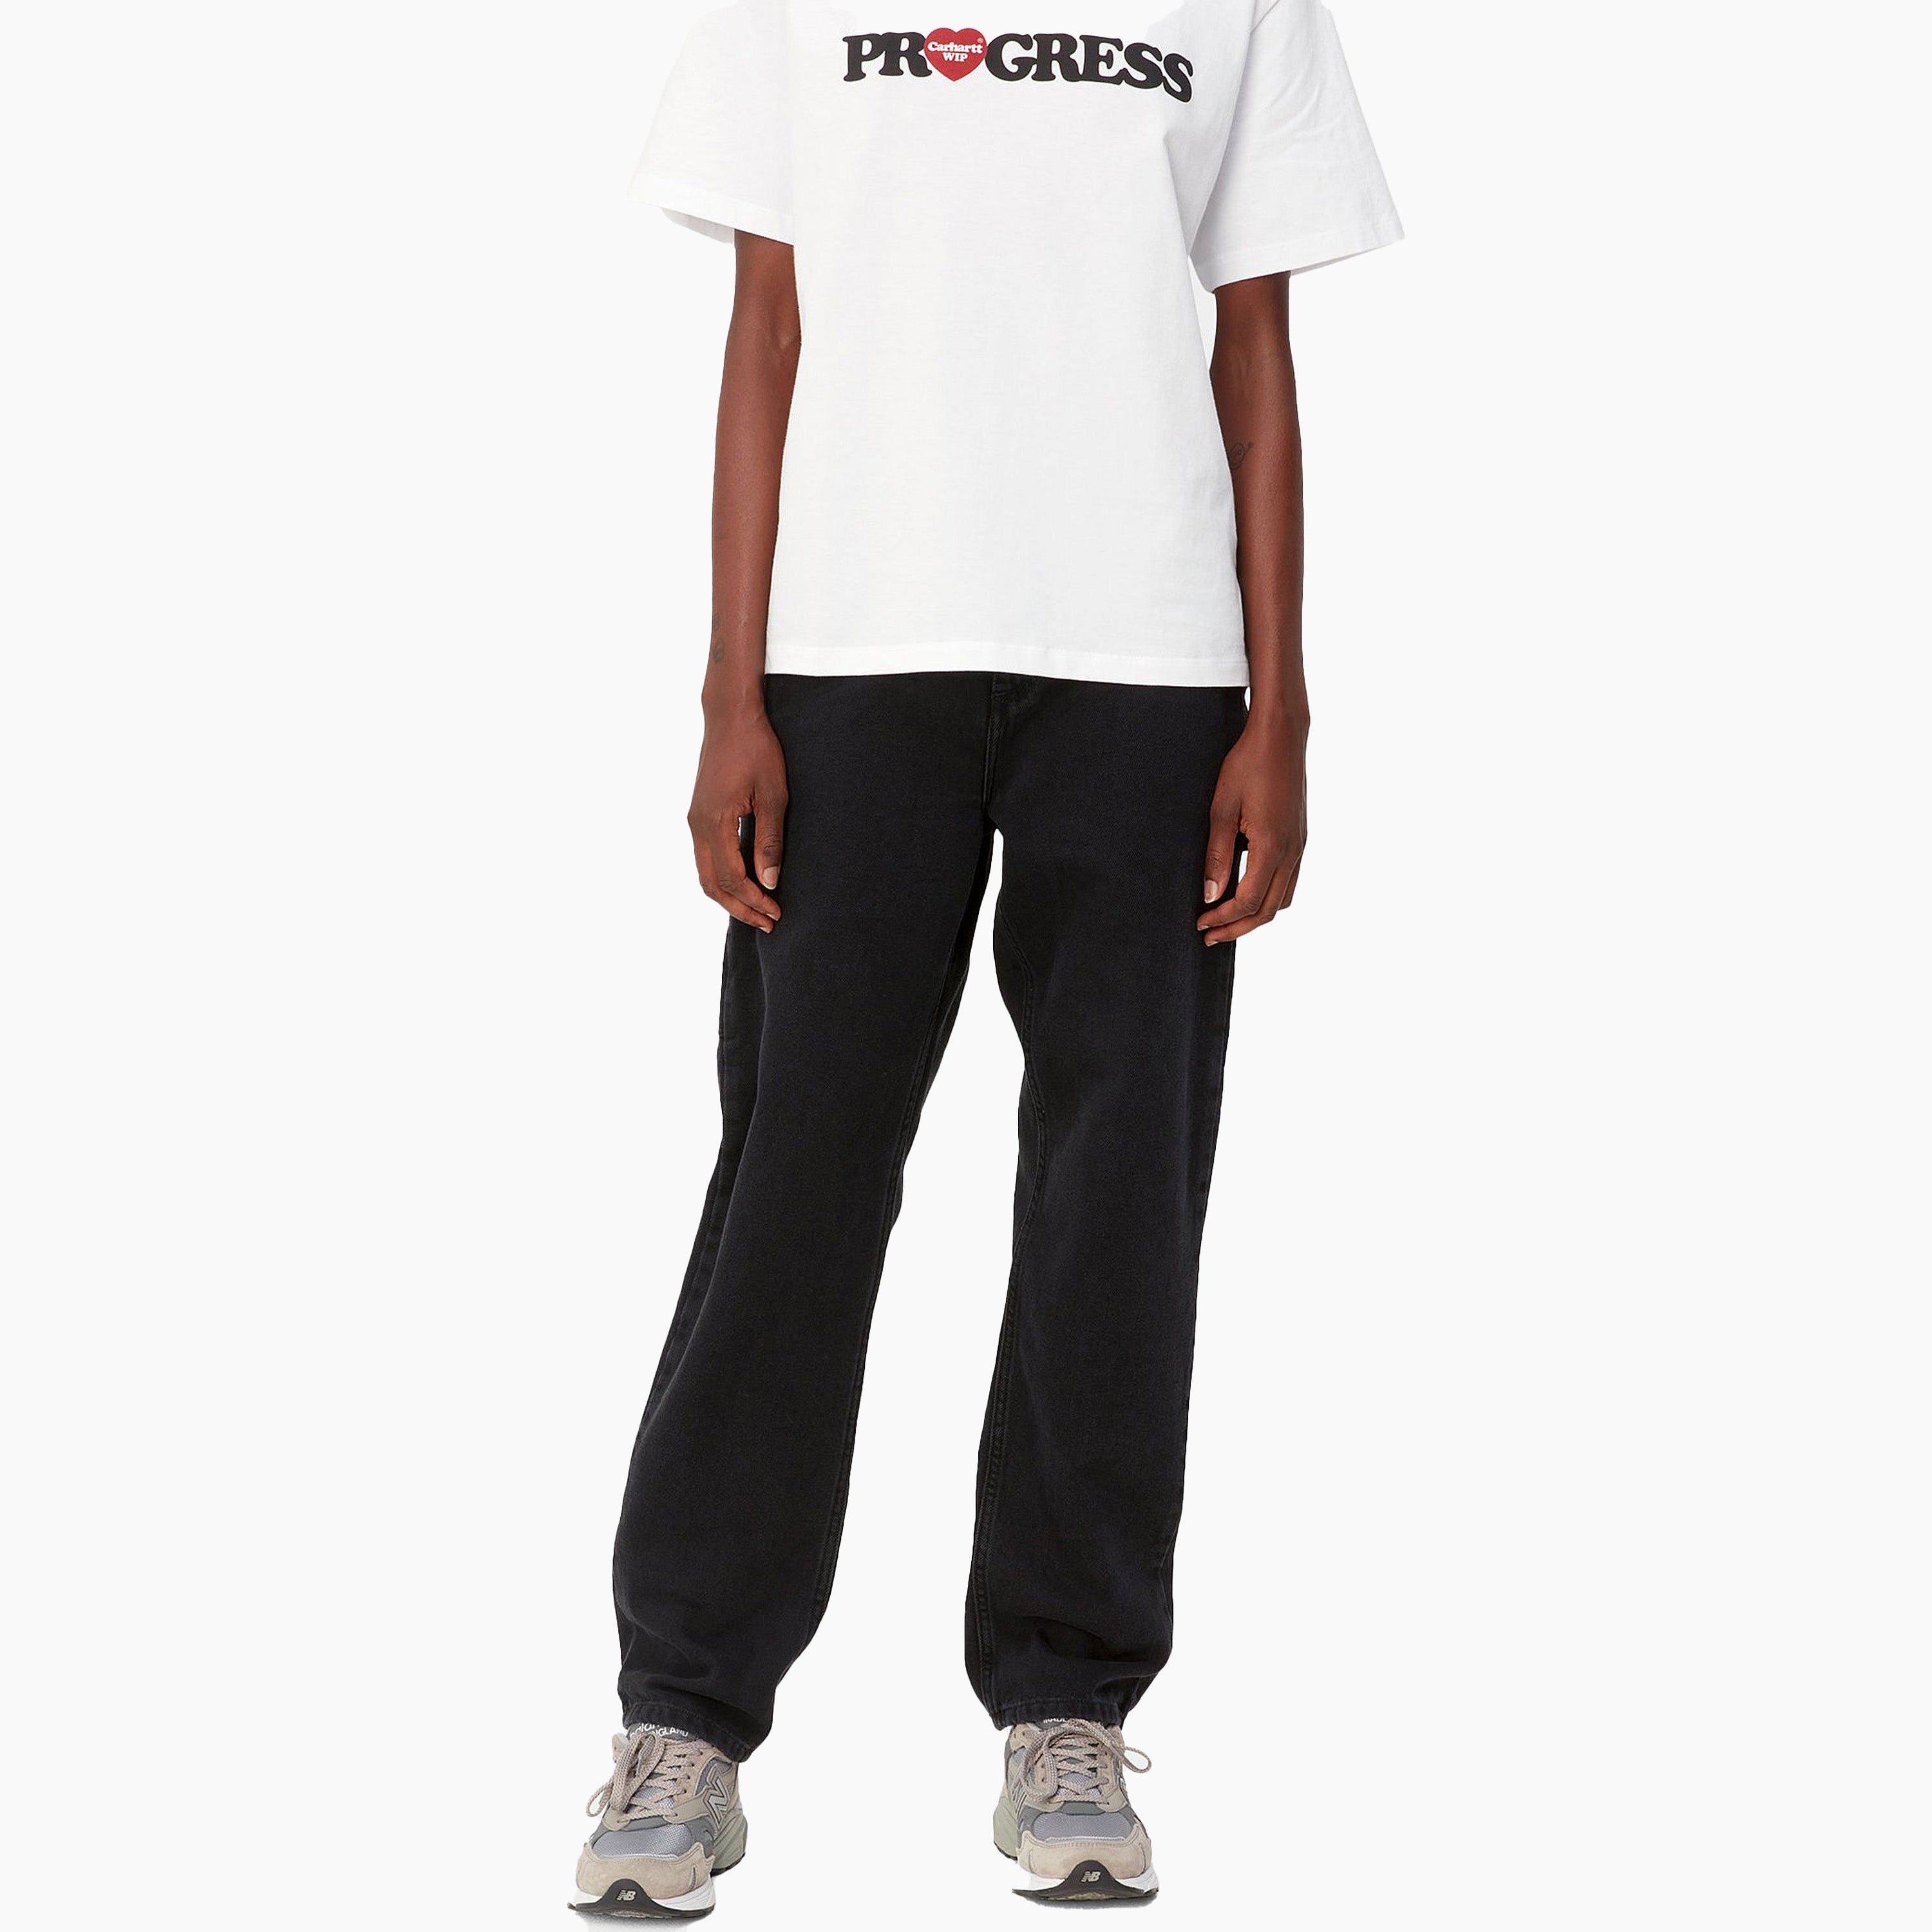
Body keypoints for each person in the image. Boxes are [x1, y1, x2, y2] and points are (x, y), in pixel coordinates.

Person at [571, 2, 1399, 1915]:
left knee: (1120, 1191)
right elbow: (766, 331)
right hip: (856, 654)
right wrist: (730, 692)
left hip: (1150, 667)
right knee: (799, 1175)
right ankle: (684, 1715)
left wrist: (1279, 711)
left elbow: (1256, 356)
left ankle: (1067, 1705)